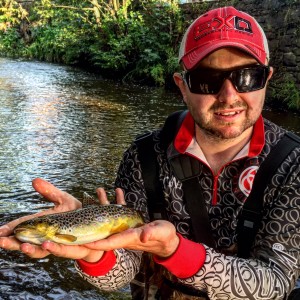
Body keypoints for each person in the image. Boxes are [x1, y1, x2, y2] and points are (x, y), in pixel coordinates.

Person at [0, 6, 299, 300]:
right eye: (208, 79)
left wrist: (176, 251)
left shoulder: (291, 163)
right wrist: (95, 253)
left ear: (267, 79)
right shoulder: (143, 157)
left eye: (247, 76)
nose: (229, 95)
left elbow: (275, 281)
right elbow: (124, 270)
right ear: (182, 87)